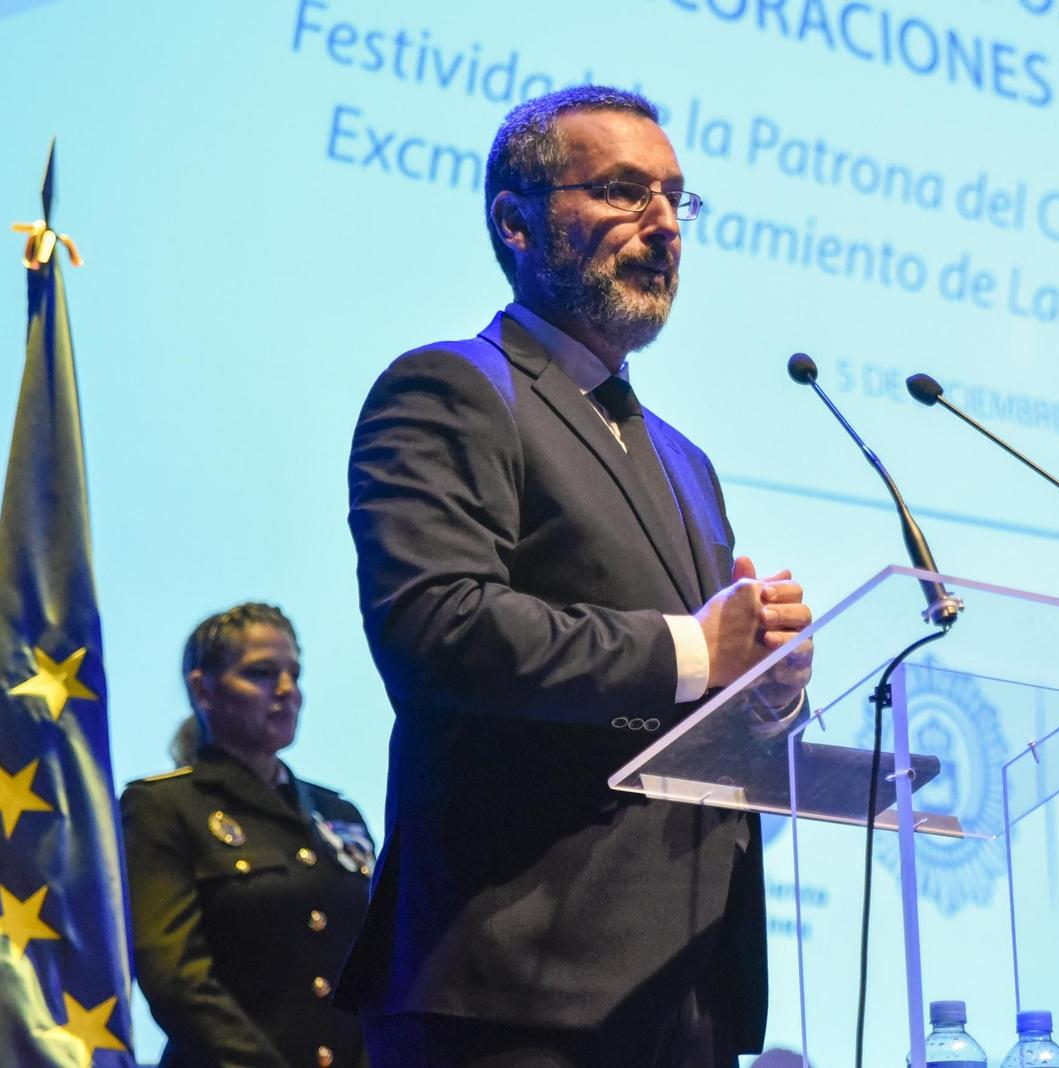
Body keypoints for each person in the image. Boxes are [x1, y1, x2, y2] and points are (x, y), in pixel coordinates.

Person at [339, 86, 813, 1067]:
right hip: (513, 993)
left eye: (678, 200)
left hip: (685, 995)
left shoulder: (685, 460)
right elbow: (436, 628)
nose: (665, 226)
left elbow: (691, 696)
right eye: (623, 193)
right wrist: (695, 647)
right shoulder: (451, 389)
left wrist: (760, 693)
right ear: (515, 222)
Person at [121, 602, 375, 1068]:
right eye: (261, 673)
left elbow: (376, 969)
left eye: (294, 674)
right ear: (204, 690)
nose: (287, 690)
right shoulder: (164, 807)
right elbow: (174, 977)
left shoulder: (338, 812)